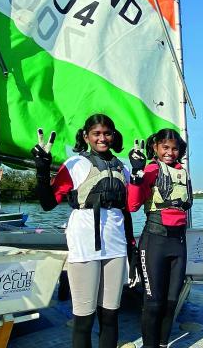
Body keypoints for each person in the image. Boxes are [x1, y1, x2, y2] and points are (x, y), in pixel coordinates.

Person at [33, 114, 130, 348]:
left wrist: (132, 249)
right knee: (84, 319)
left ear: (113, 135)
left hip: (116, 247)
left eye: (107, 133)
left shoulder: (123, 168)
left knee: (110, 316)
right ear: (86, 137)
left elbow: (126, 211)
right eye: (96, 134)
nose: (102, 138)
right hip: (85, 246)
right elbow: (47, 203)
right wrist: (42, 171)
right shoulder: (75, 164)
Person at [127, 129, 192, 348]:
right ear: (155, 147)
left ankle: (163, 344)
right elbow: (132, 205)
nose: (170, 152)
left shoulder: (183, 172)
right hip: (155, 241)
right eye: (165, 147)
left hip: (178, 243)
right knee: (154, 302)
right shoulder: (151, 169)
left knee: (171, 301)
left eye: (174, 148)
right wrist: (136, 175)